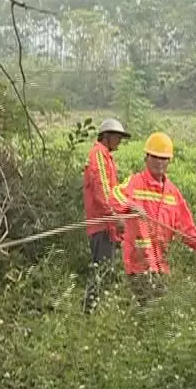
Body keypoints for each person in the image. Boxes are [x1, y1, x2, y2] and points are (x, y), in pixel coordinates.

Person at [109, 132, 196, 303]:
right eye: (155, 157)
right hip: (138, 264)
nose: (159, 162)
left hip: (161, 266)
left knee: (158, 315)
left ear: (169, 161)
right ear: (146, 158)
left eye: (164, 158)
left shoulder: (172, 193)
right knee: (149, 312)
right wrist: (131, 205)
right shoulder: (135, 182)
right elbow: (114, 195)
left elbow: (187, 229)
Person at [82, 118, 131, 313]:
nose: (119, 142)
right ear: (107, 137)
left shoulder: (105, 157)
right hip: (102, 224)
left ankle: (94, 310)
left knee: (104, 269)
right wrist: (113, 216)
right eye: (117, 137)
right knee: (101, 270)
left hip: (105, 224)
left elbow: (111, 191)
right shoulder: (99, 155)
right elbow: (102, 190)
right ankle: (90, 312)